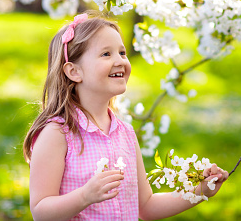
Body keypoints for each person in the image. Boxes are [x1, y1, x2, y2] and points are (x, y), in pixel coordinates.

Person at [23, 12, 228, 221]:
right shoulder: (58, 133)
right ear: (74, 71)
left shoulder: (125, 133)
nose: (120, 60)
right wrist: (84, 196)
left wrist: (200, 191)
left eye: (122, 52)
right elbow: (40, 210)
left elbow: (146, 207)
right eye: (106, 54)